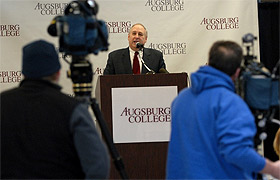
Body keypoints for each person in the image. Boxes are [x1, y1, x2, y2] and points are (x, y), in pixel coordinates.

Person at [166, 40, 280, 179]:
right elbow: (238, 152)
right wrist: (272, 169)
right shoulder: (230, 103)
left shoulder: (181, 99)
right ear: (237, 72)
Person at [1, 39, 110, 179]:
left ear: (24, 73)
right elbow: (98, 165)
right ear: (58, 73)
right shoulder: (73, 109)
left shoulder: (3, 103)